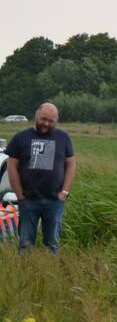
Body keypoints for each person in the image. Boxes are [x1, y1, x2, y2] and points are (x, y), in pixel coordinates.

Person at [5, 102, 76, 253]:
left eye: (51, 121)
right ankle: (25, 267)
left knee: (53, 244)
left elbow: (71, 164)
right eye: (44, 119)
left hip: (55, 201)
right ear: (36, 114)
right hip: (28, 200)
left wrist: (64, 192)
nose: (46, 123)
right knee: (25, 244)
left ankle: (51, 267)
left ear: (56, 120)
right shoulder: (20, 137)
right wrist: (20, 195)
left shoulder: (64, 138)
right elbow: (12, 167)